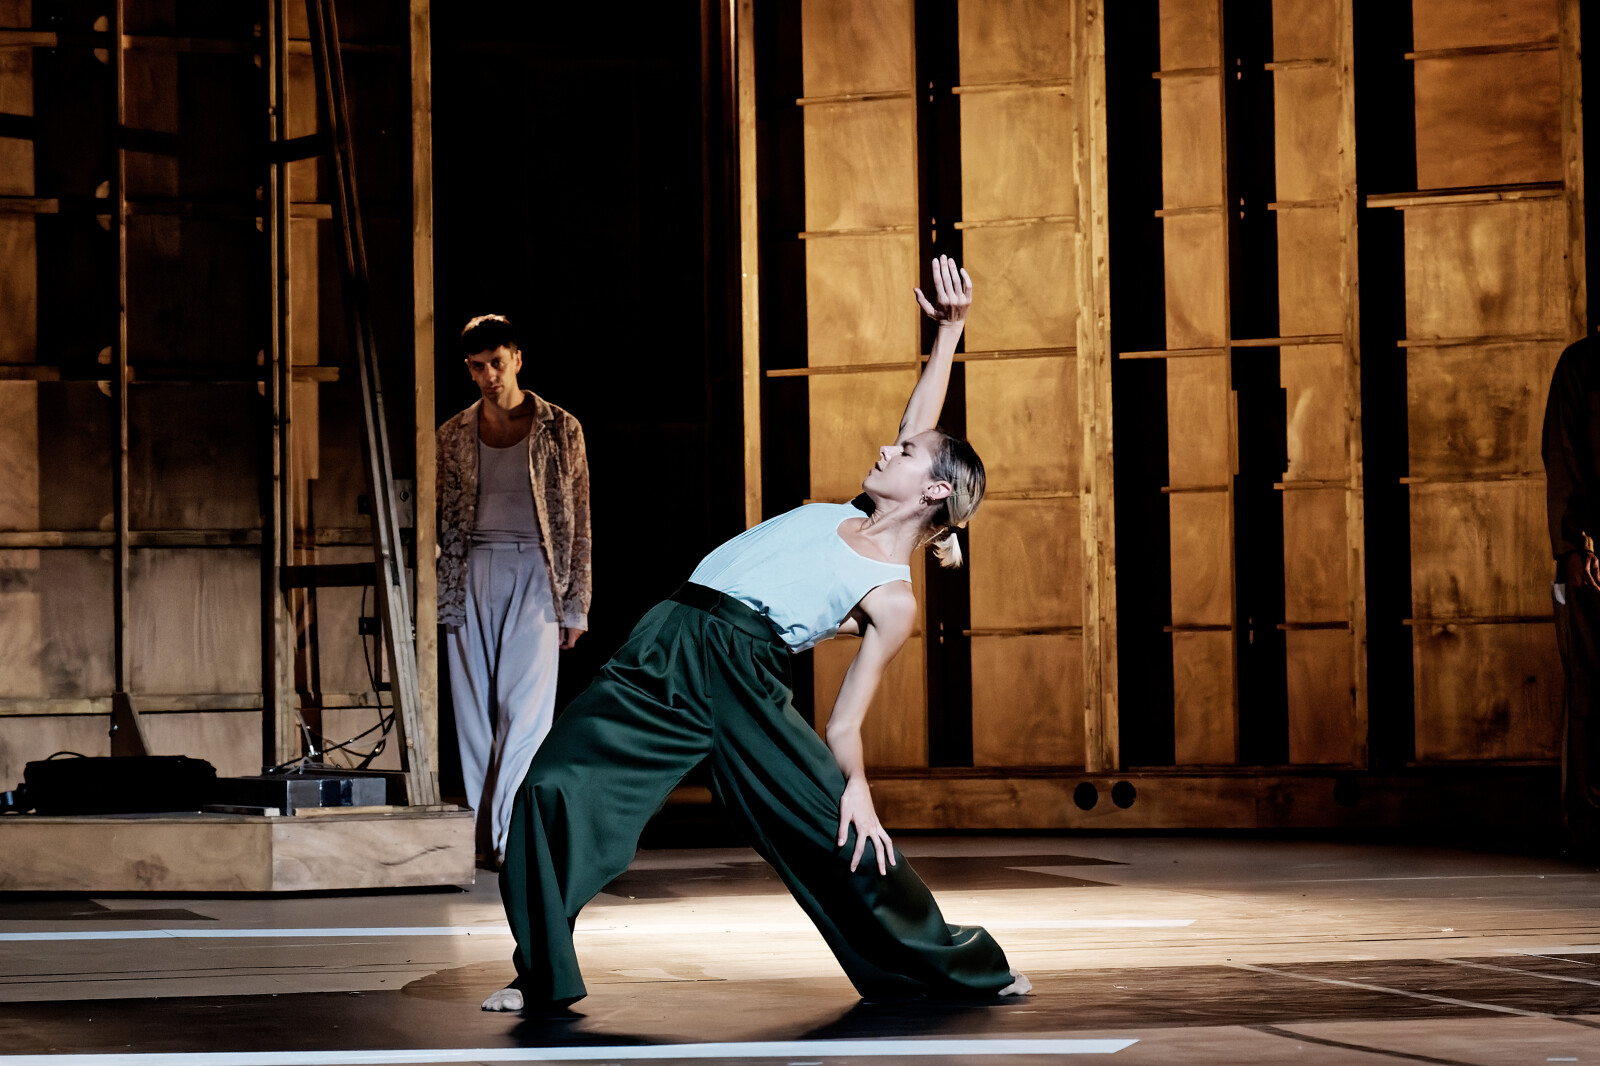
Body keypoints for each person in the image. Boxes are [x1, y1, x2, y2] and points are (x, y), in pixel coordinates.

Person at [483, 256, 1028, 1012]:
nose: (886, 448)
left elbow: (844, 719)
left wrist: (859, 788)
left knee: (841, 834)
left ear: (934, 489)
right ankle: (540, 975)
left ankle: (965, 965)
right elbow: (918, 429)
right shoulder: (840, 514)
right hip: (666, 640)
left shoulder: (890, 594)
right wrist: (947, 336)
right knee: (548, 788)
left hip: (741, 670)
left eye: (904, 455)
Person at [437, 314, 591, 868]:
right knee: (474, 713)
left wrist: (576, 604)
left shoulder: (560, 428)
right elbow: (437, 517)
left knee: (525, 712)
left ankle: (508, 834)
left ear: (517, 358)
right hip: (470, 570)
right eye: (477, 367)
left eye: (496, 363)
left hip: (536, 573)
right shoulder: (452, 433)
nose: (488, 376)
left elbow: (579, 519)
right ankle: (485, 836)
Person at [1542, 332, 1600, 857]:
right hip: (1588, 557)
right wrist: (1574, 544)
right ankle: (1589, 823)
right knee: (1591, 684)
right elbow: (1563, 455)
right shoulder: (1582, 363)